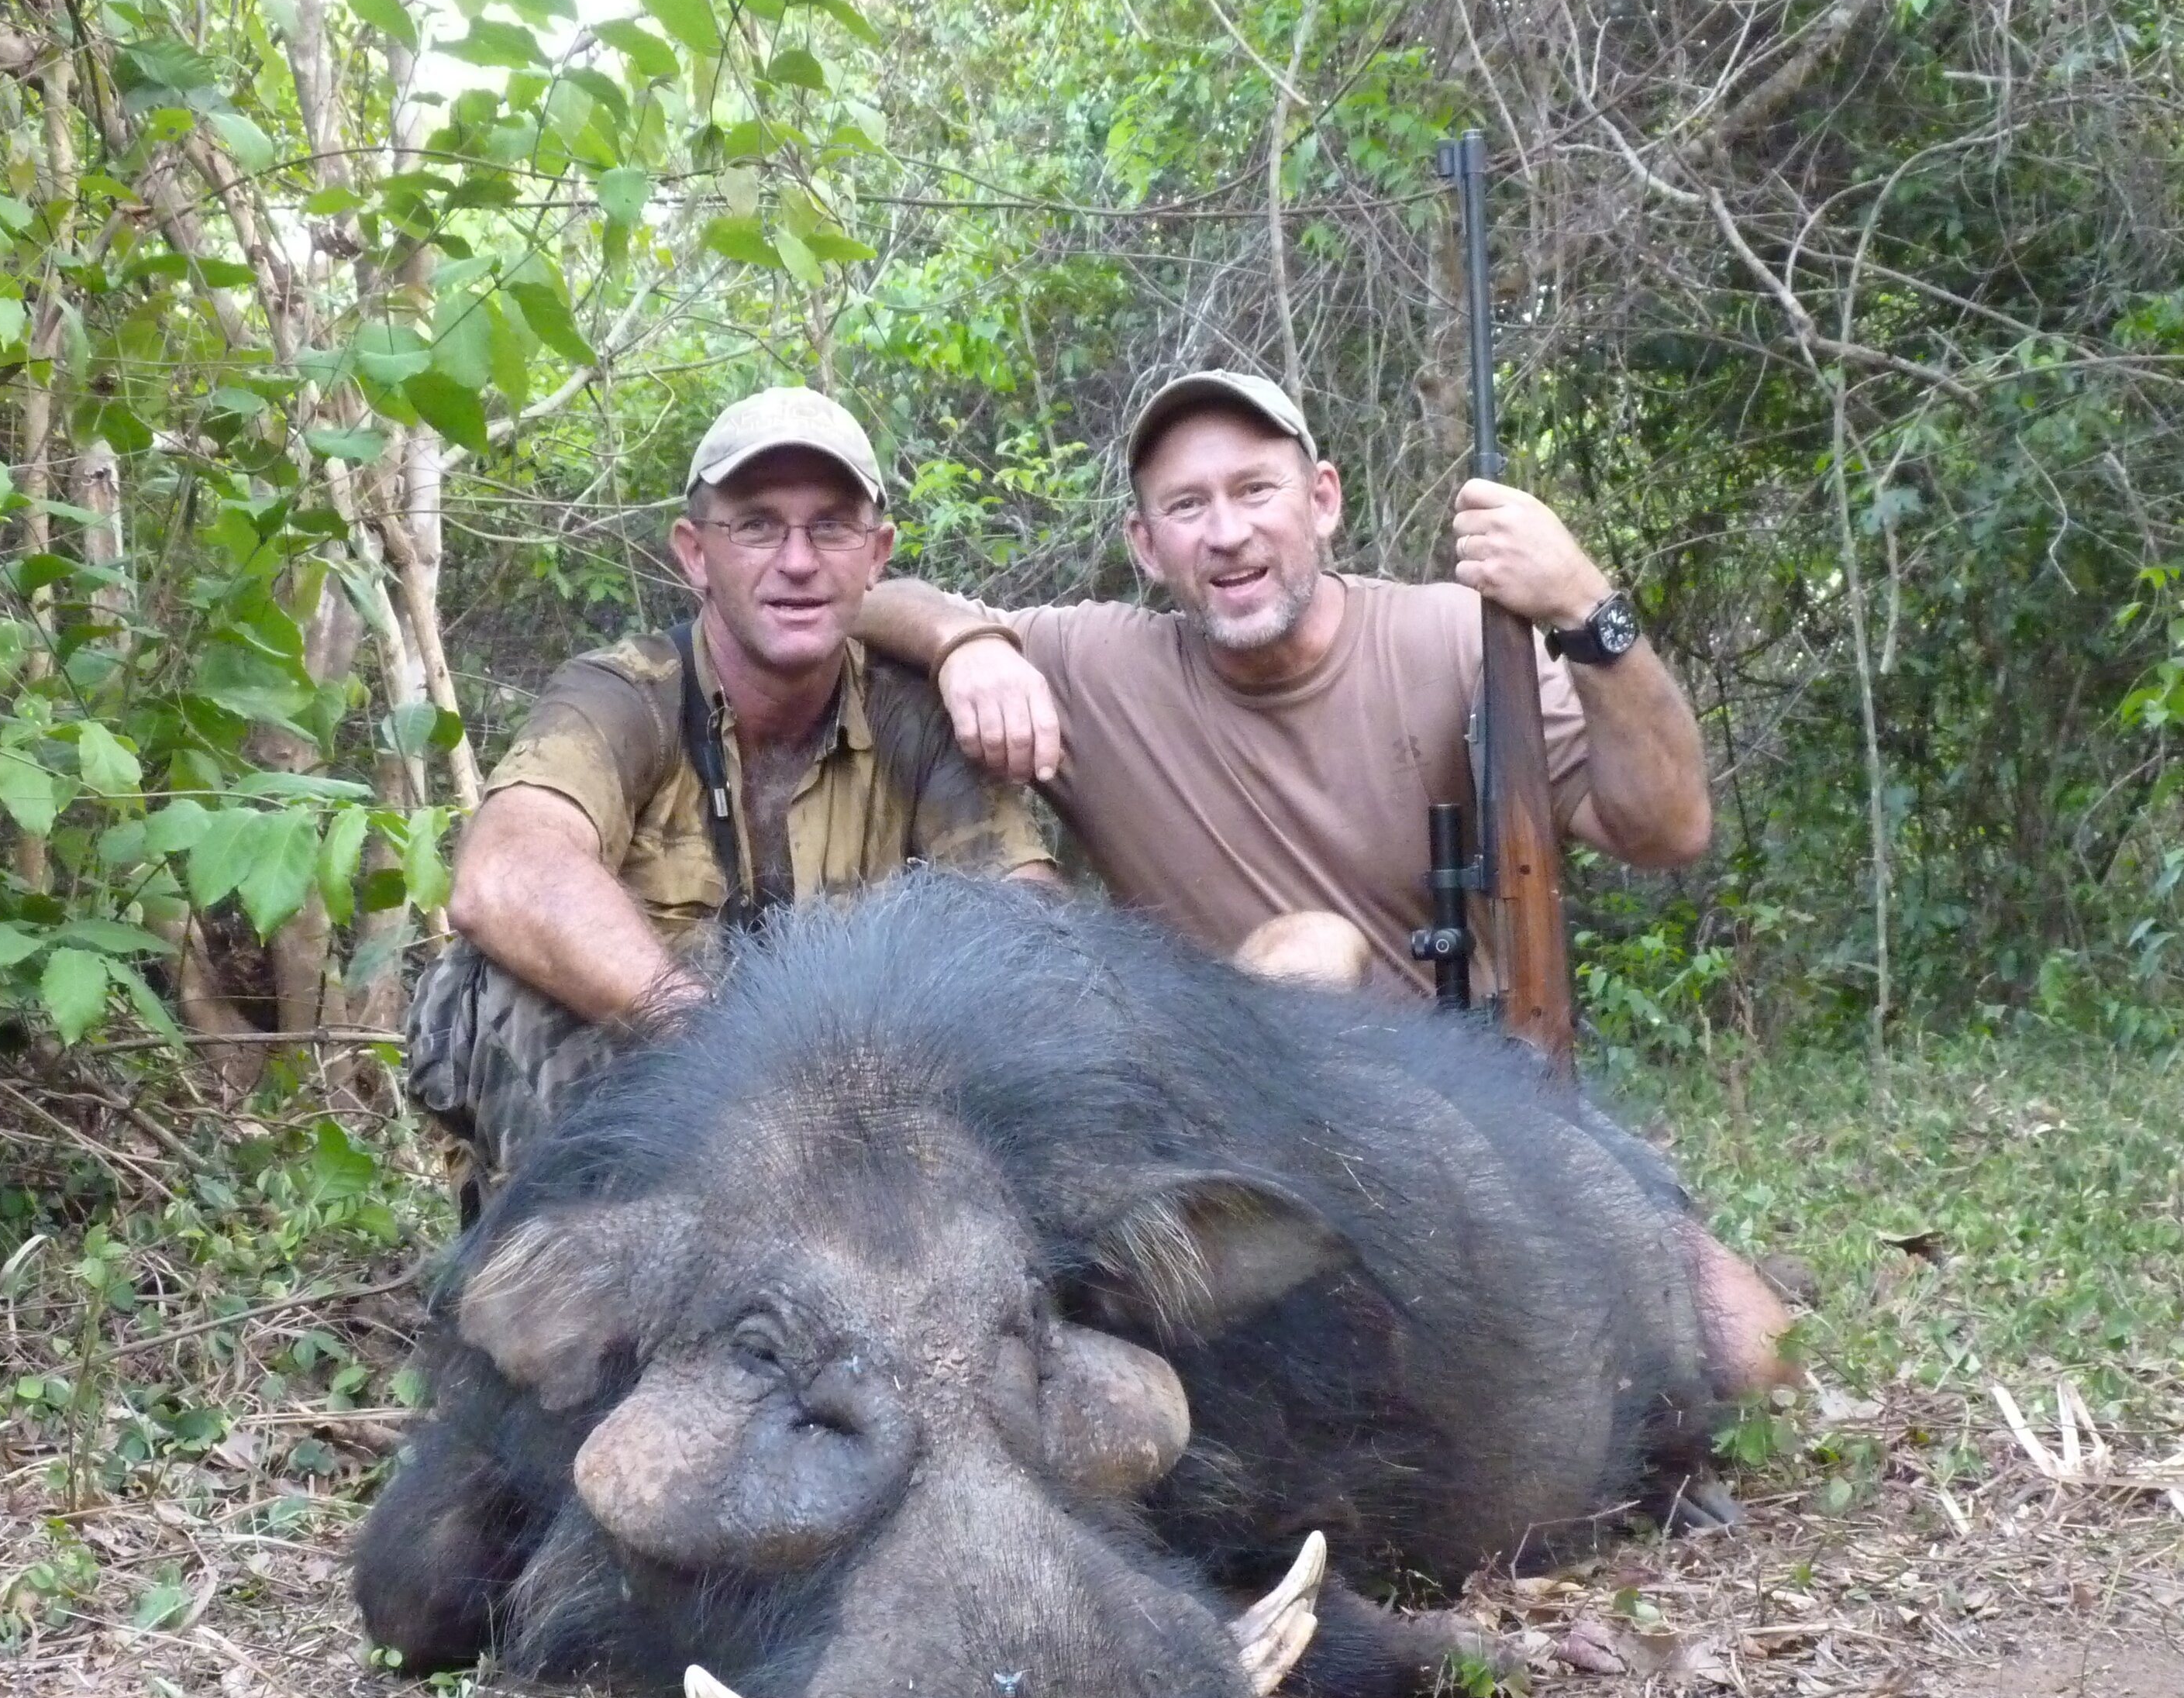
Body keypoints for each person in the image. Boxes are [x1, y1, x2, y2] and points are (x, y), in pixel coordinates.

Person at [856, 369, 1796, 1394]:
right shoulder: (1093, 659)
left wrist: (1586, 609)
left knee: (1760, 1361)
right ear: (1145, 546)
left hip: (1472, 1105)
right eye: (1186, 506)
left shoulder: (1454, 635)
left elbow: (1667, 825)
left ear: (1323, 500)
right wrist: (967, 645)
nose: (1226, 534)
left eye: (1255, 491)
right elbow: (870, 600)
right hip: (1233, 1148)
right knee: (1306, 954)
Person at [405, 386, 1053, 1214]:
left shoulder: (915, 719)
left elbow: (1033, 931)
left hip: (870, 1118)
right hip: (654, 1110)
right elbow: (505, 873)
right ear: (695, 553)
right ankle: (565, 1313)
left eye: (830, 526)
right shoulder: (623, 696)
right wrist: (714, 1044)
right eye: (755, 524)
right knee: (510, 987)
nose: (796, 560)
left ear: (876, 553)